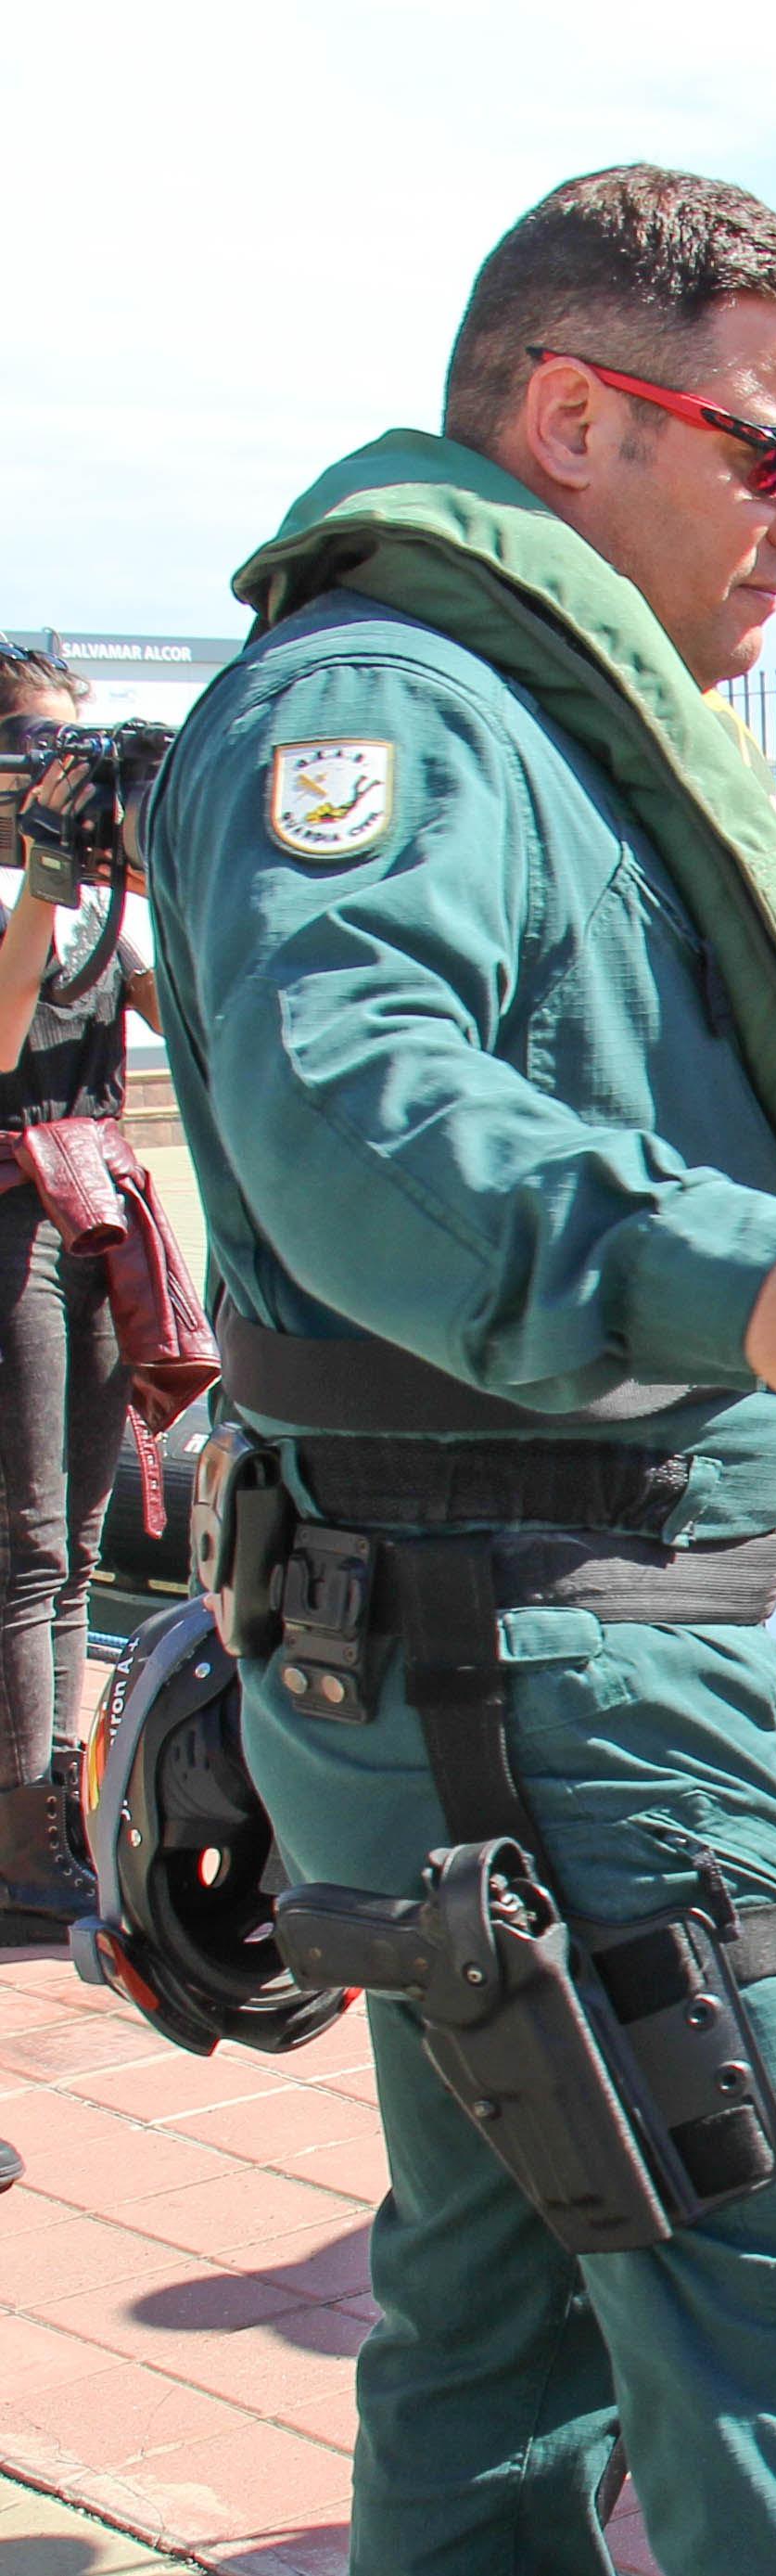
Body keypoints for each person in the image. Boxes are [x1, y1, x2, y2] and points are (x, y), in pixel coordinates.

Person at [147, 166, 776, 2573]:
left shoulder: (537, 722)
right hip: (521, 1656)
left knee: (503, 2323)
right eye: (774, 453)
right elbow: (359, 1107)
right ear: (573, 417)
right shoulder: (387, 704)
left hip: (511, 1643)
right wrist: (739, 1275)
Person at [0, 639, 161, 1942]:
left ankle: (61, 1791)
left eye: (69, 744)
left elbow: (189, 1011)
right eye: (31, 745)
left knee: (84, 1544)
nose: (55, 769)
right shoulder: (36, 892)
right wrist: (44, 880)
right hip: (12, 1217)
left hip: (96, 1207)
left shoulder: (103, 892)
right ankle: (19, 1830)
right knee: (27, 1541)